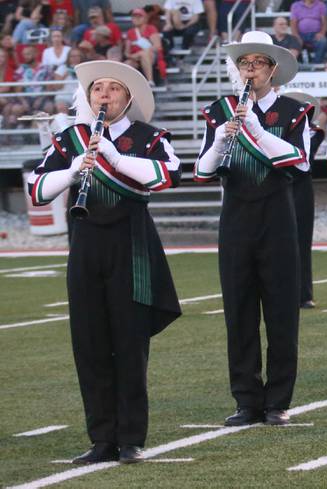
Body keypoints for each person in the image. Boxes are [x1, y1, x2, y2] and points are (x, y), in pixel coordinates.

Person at [27, 59, 182, 464]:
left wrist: (111, 154)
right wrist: (74, 170)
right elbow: (38, 188)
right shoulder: (70, 139)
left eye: (113, 89)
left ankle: (131, 437)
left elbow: (166, 176)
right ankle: (101, 438)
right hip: (85, 245)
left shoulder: (149, 137)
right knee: (90, 344)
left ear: (127, 97)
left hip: (132, 247)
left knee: (129, 344)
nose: (105, 96)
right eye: (98, 89)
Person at [193, 31, 310, 427]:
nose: (251, 70)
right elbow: (202, 171)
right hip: (237, 217)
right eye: (245, 63)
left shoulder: (294, 112)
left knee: (280, 313)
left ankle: (278, 399)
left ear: (272, 70)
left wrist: (255, 130)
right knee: (239, 312)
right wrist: (222, 141)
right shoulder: (219, 110)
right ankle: (246, 400)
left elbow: (300, 161)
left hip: (278, 216)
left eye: (258, 63)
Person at [283, 90, 320, 309]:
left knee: (302, 241)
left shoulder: (313, 133)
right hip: (281, 187)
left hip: (300, 188)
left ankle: (304, 293)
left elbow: (303, 159)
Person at [124, 8, 162, 85]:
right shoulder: (130, 32)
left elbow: (157, 46)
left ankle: (150, 81)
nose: (136, 18)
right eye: (134, 16)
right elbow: (126, 52)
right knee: (127, 64)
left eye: (139, 16)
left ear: (145, 18)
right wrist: (131, 56)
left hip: (150, 55)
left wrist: (142, 52)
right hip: (135, 58)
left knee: (144, 54)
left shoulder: (151, 28)